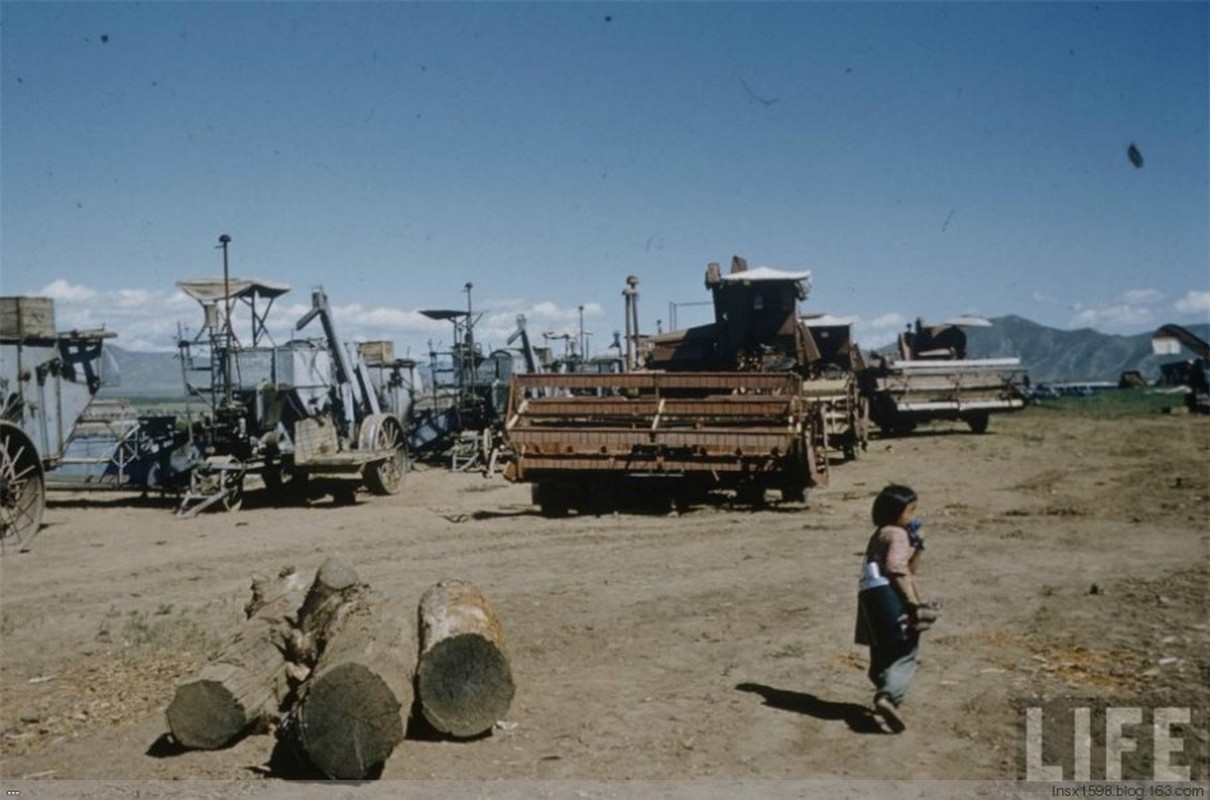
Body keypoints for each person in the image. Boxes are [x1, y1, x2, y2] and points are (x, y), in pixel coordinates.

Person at [854, 484, 940, 733]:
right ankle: (888, 697)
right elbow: (896, 569)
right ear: (896, 512)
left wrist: (919, 548)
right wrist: (912, 603)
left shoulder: (880, 533)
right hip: (890, 596)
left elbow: (906, 568)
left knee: (881, 652)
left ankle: (887, 697)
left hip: (870, 596)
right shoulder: (897, 534)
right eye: (910, 511)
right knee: (905, 651)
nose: (912, 516)